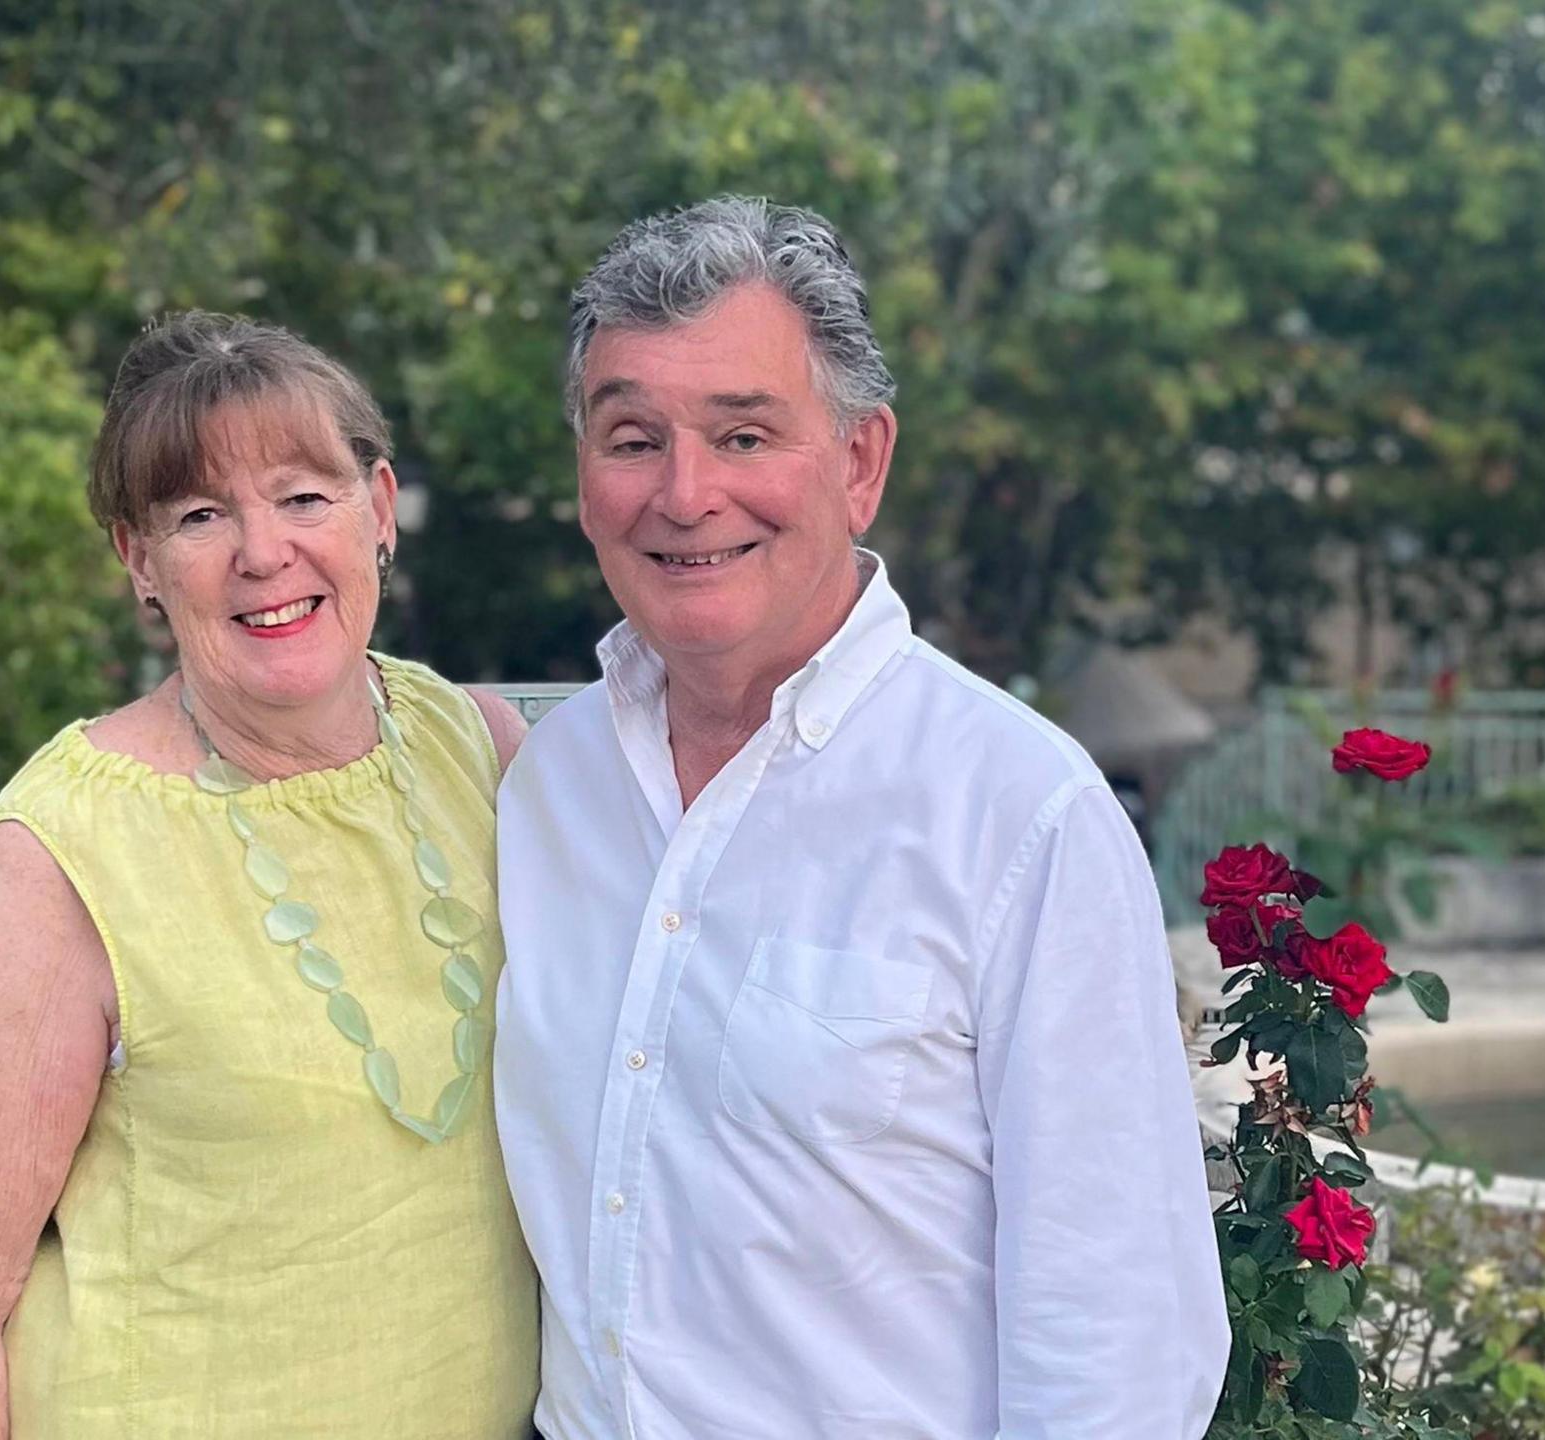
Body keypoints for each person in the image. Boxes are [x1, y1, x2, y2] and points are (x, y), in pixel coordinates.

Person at [493, 197, 1228, 1439]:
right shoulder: (547, 786)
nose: (684, 493)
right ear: (582, 472)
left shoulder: (1017, 815)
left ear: (859, 462)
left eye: (743, 434)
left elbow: (1120, 1345)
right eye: (632, 438)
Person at [0, 313, 538, 1438]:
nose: (261, 551)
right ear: (139, 562)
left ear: (378, 511)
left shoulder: (476, 749)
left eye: (302, 496)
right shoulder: (66, 853)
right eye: (198, 515)